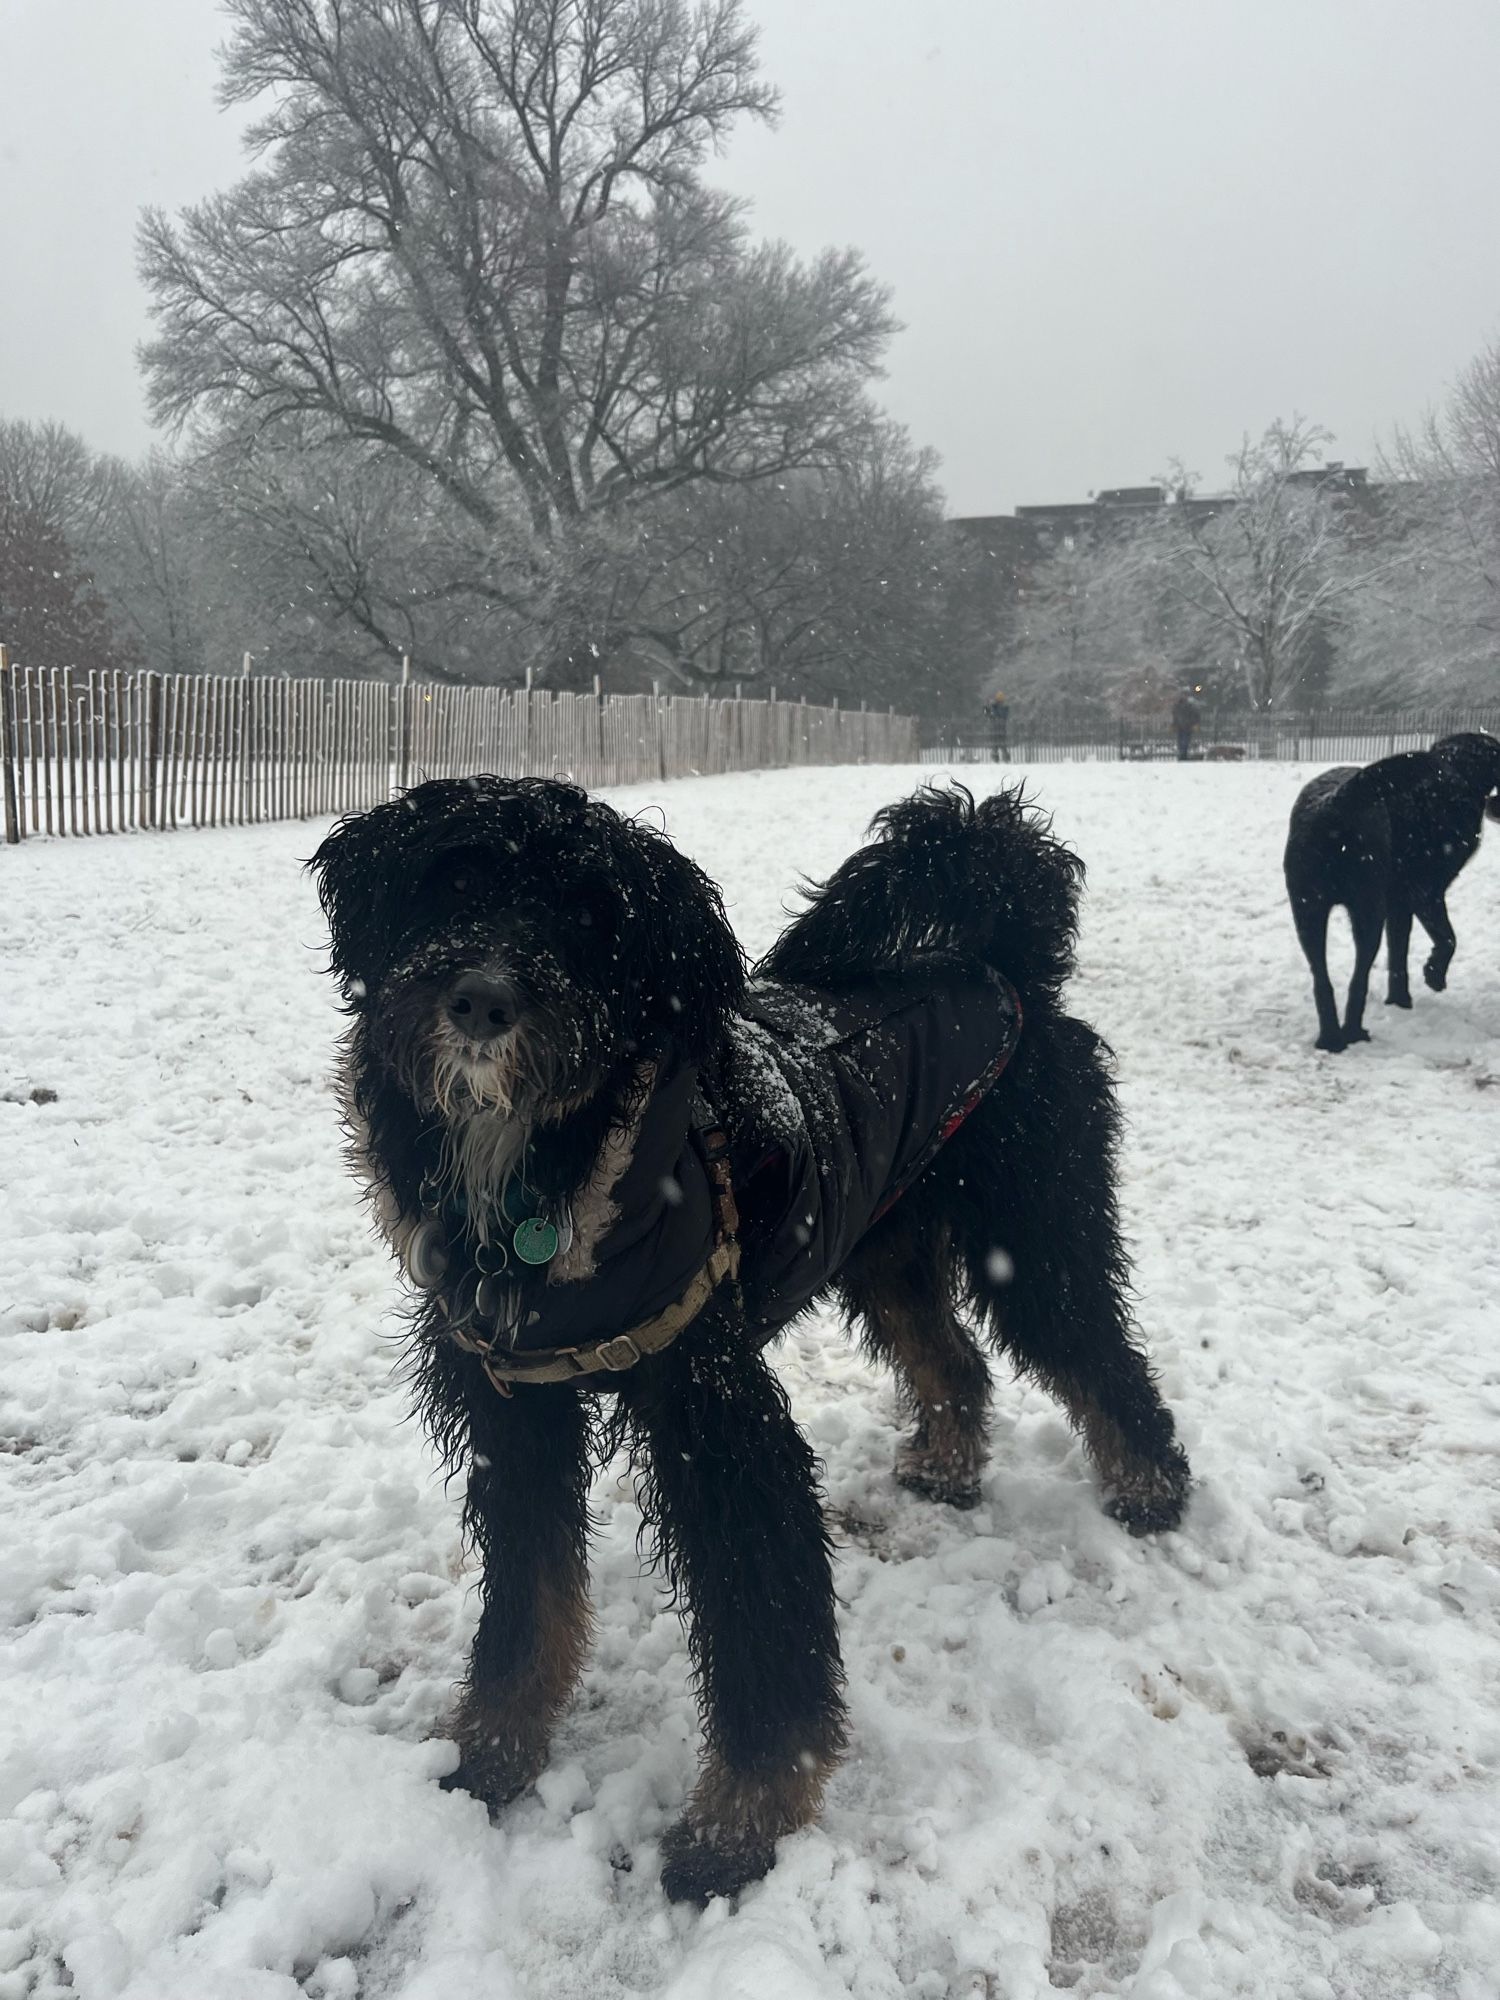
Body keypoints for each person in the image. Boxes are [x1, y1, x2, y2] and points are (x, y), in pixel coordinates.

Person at [1172, 686, 1201, 762]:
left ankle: (1183, 755)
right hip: (1181, 726)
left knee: (1185, 742)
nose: (1184, 696)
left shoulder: (1191, 704)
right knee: (1180, 741)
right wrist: (1174, 724)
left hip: (1188, 726)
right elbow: (1175, 715)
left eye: (1185, 694)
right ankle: (1182, 755)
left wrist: (1195, 723)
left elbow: (1196, 715)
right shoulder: (1178, 704)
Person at [985, 691, 1010, 762]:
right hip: (996, 728)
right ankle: (998, 758)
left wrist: (992, 707)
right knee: (997, 745)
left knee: (1001, 745)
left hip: (999, 728)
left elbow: (1000, 715)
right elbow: (987, 714)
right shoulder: (996, 706)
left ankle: (1004, 758)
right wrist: (987, 706)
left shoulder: (1004, 707)